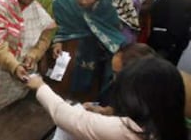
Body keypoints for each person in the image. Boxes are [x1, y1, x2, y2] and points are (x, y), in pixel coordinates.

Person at [27, 56, 188, 140]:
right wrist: (106, 112)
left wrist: (40, 86)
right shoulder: (170, 125)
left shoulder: (127, 131)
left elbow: (67, 117)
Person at [52, 0, 125, 98]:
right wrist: (57, 41)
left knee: (93, 86)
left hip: (96, 50)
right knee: (64, 85)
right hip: (69, 48)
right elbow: (58, 26)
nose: (84, 1)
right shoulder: (64, 2)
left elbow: (111, 29)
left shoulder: (104, 3)